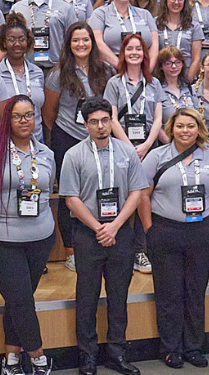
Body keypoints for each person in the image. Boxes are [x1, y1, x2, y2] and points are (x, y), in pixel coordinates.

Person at [0, 96, 58, 375]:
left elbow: (46, 192)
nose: (24, 121)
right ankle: (39, 357)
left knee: (18, 300)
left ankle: (11, 360)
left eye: (29, 115)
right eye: (18, 116)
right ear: (7, 119)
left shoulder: (45, 153)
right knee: (21, 298)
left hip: (40, 237)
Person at [59, 97, 147, 375]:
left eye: (105, 120)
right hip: (88, 233)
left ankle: (117, 353)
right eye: (94, 122)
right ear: (85, 124)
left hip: (120, 231)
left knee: (119, 295)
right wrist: (99, 228)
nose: (100, 126)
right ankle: (87, 356)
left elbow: (136, 193)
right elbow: (71, 199)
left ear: (112, 120)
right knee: (87, 295)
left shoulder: (127, 152)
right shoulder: (74, 155)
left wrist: (115, 226)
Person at [138, 107, 209, 368]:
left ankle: (194, 347)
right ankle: (170, 348)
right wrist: (149, 229)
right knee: (169, 293)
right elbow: (143, 194)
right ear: (171, 129)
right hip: (165, 231)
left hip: (201, 232)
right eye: (180, 126)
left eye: (190, 126)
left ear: (199, 129)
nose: (185, 130)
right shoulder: (156, 156)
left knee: (195, 292)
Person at [89, 0, 157, 66]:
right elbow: (98, 43)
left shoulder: (145, 14)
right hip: (111, 68)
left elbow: (155, 44)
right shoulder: (100, 14)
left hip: (142, 67)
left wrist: (147, 69)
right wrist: (121, 67)